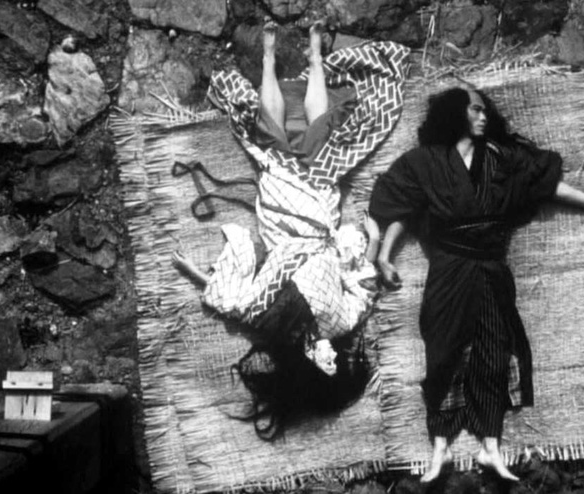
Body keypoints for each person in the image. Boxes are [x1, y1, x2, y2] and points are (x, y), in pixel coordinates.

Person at [368, 87, 584, 481]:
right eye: (475, 110)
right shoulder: (427, 162)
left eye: (485, 111)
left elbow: (544, 186)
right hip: (449, 268)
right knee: (443, 351)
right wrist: (385, 255)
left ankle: (491, 447)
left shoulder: (501, 158)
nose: (483, 116)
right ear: (455, 114)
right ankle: (440, 447)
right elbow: (404, 210)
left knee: (493, 350)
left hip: (490, 266)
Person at [173, 20, 408, 439]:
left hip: (282, 217)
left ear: (308, 363)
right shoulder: (340, 325)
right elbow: (363, 285)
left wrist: (193, 270)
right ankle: (314, 57)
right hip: (318, 216)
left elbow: (230, 301)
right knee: (320, 140)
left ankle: (268, 60)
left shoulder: (273, 323)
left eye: (326, 366)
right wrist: (372, 240)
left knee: (271, 141)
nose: (333, 359)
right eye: (337, 364)